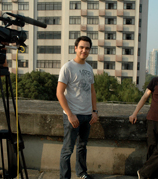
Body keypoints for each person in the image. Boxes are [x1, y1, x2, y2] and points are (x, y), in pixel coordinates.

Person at [56, 36, 99, 179]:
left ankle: (81, 173)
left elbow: (92, 91)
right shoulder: (68, 67)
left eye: (87, 48)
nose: (84, 50)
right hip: (73, 116)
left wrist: (94, 111)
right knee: (68, 149)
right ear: (75, 48)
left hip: (87, 115)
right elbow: (59, 93)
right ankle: (65, 177)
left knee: (82, 147)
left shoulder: (89, 68)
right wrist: (70, 114)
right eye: (81, 47)